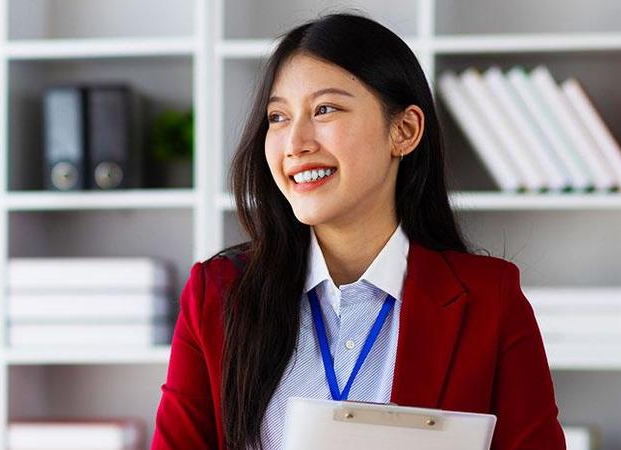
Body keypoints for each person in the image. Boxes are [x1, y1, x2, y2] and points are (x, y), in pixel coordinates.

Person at [150, 13, 565, 449]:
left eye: (325, 109)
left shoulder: (489, 300)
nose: (295, 144)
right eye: (278, 116)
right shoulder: (216, 295)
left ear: (404, 131)